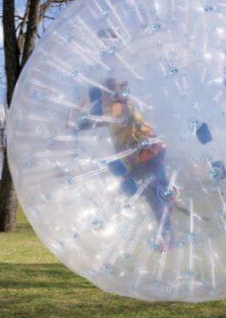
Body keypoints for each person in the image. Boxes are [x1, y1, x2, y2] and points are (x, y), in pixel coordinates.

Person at [76, 77, 182, 251]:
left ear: (107, 94)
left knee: (154, 197)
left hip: (147, 154)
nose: (100, 100)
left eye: (101, 96)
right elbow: (100, 122)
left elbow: (111, 119)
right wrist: (82, 120)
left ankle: (166, 198)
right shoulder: (116, 107)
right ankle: (166, 212)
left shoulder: (118, 107)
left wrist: (85, 118)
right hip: (143, 156)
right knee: (152, 197)